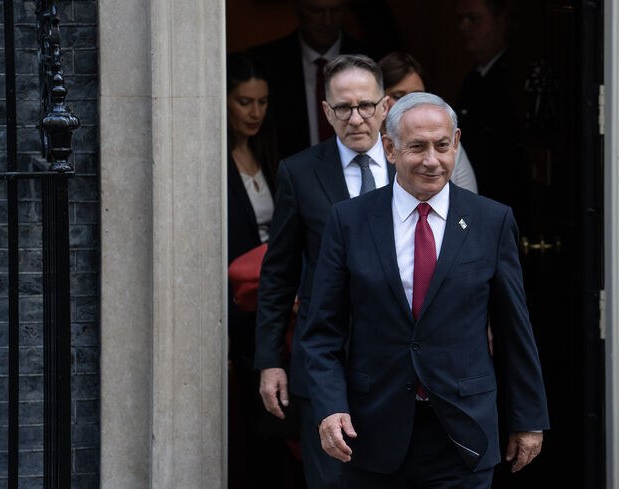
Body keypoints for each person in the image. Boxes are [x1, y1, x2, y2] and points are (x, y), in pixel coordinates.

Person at [301, 92, 549, 488]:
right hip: (371, 432)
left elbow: (513, 331)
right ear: (390, 149)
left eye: (442, 145)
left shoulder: (491, 220)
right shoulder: (349, 220)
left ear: (457, 143)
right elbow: (322, 332)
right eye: (416, 147)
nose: (431, 160)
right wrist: (330, 407)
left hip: (462, 433)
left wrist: (529, 418)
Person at [255, 54, 394, 489]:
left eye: (366, 106)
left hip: (398, 366)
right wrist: (269, 360)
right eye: (343, 108)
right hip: (324, 365)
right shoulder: (298, 172)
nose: (356, 118)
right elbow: (277, 273)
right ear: (326, 112)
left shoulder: (412, 167)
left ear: (385, 107)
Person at [225, 51, 299, 488]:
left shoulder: (272, 156)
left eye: (262, 101)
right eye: (244, 101)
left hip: (275, 306)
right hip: (240, 313)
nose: (255, 112)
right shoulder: (211, 164)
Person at [250, 0, 371, 160]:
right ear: (297, 8)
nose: (327, 21)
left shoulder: (370, 60)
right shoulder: (266, 63)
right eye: (316, 11)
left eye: (335, 11)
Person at [455, 0, 526, 214]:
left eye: (473, 18)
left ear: (501, 20)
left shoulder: (514, 79)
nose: (463, 27)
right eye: (461, 19)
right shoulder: (473, 80)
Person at [378, 51, 478, 194]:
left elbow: (469, 205)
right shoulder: (367, 147)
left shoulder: (449, 142)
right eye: (398, 96)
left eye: (419, 96)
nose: (411, 104)